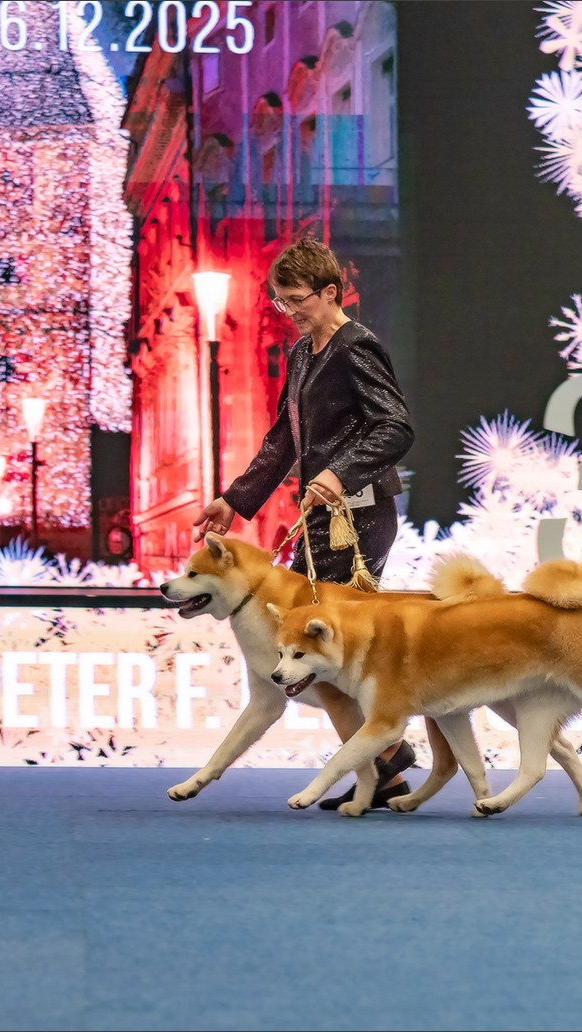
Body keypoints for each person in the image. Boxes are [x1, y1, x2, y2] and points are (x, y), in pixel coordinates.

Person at [192, 237, 416, 810]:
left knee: (318, 645)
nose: (288, 311)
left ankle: (385, 756)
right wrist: (234, 500)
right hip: (326, 519)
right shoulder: (302, 354)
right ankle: (385, 765)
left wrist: (339, 474)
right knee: (318, 647)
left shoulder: (355, 347)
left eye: (296, 300)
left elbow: (395, 428)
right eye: (280, 301)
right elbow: (284, 440)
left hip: (358, 520)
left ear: (330, 292)